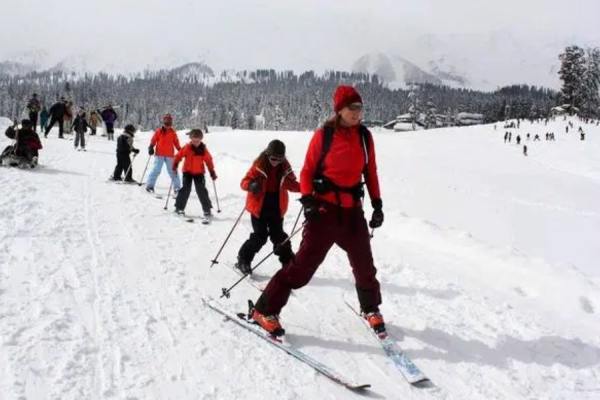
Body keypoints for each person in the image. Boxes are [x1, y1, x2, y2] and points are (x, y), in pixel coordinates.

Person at [251, 85, 385, 336]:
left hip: (352, 212)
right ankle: (264, 309)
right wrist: (308, 201)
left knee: (365, 265)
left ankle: (371, 308)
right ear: (340, 110)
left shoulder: (365, 137)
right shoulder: (324, 136)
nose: (357, 112)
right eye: (352, 108)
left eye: (360, 108)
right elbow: (307, 171)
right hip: (324, 212)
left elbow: (371, 171)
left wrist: (377, 204)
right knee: (300, 270)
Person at [235, 139, 300, 275]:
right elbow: (244, 182)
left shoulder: (285, 169)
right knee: (260, 236)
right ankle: (243, 259)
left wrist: (308, 189)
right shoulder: (258, 166)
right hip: (259, 207)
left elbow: (293, 184)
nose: (276, 162)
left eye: (279, 159)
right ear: (267, 154)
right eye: (273, 158)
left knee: (279, 237)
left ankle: (288, 263)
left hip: (276, 207)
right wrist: (251, 186)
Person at [172, 129, 216, 217]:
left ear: (201, 139)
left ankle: (207, 210)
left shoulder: (203, 149)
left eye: (198, 140)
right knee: (185, 189)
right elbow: (178, 155)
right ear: (191, 139)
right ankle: (179, 208)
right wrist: (175, 164)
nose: (196, 142)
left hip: (199, 173)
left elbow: (209, 160)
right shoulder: (187, 147)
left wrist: (212, 171)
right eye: (194, 140)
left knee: (201, 190)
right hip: (187, 172)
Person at [146, 114, 182, 194]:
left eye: (169, 121)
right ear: (164, 122)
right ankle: (150, 186)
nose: (167, 124)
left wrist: (180, 150)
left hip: (170, 155)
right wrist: (151, 147)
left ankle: (177, 188)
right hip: (159, 154)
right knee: (156, 170)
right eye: (166, 121)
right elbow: (153, 140)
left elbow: (176, 143)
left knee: (173, 171)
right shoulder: (159, 131)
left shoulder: (173, 132)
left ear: (171, 122)